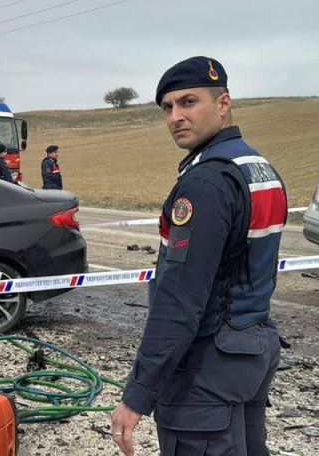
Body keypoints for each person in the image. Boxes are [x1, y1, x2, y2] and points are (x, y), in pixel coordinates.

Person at [111, 56, 287, 456]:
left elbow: (180, 299)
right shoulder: (257, 167)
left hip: (208, 367)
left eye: (188, 102)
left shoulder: (206, 182)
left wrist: (137, 395)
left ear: (223, 104)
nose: (175, 117)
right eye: (167, 107)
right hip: (252, 348)